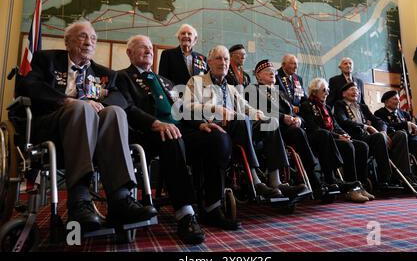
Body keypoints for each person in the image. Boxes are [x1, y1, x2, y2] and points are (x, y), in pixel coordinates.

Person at [16, 20, 156, 232]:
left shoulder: (106, 73)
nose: (89, 42)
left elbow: (120, 99)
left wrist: (99, 106)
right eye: (82, 36)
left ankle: (120, 200)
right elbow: (29, 85)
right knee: (81, 108)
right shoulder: (46, 60)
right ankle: (79, 200)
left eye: (93, 38)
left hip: (96, 133)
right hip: (53, 126)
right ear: (67, 41)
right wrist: (66, 101)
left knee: (115, 112)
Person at [117, 35, 240, 244]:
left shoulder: (165, 81)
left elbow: (182, 110)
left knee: (217, 137)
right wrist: (155, 123)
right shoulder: (121, 77)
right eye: (141, 47)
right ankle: (185, 213)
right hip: (147, 134)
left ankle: (212, 206)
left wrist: (200, 124)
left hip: (183, 130)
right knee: (171, 136)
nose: (148, 50)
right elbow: (128, 108)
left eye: (150, 47)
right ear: (129, 53)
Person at [183, 46, 306, 199]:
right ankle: (255, 181)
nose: (223, 62)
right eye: (218, 58)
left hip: (239, 126)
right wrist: (217, 109)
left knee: (271, 122)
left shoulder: (230, 88)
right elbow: (188, 107)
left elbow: (246, 107)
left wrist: (258, 113)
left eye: (226, 59)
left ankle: (276, 181)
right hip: (215, 127)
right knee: (241, 119)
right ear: (209, 62)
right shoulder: (197, 81)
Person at [252, 59, 321, 195]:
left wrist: (298, 120)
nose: (272, 74)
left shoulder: (281, 93)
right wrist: (284, 118)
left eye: (273, 72)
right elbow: (260, 112)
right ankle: (313, 175)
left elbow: (295, 113)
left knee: (301, 130)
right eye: (267, 72)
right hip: (268, 130)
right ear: (258, 76)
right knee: (295, 132)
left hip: (288, 130)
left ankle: (312, 175)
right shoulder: (253, 90)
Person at [299, 78, 372, 203]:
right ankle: (351, 189)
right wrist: (338, 137)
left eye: (328, 90)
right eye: (324, 90)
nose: (327, 93)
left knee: (362, 146)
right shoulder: (307, 106)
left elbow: (336, 125)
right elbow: (314, 128)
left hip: (333, 137)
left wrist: (343, 134)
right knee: (348, 147)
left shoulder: (326, 107)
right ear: (315, 91)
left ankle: (360, 185)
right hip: (319, 140)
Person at [334, 82, 412, 186]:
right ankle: (385, 178)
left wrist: (383, 131)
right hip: (356, 138)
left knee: (400, 134)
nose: (356, 92)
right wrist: (366, 126)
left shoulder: (362, 106)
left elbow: (379, 121)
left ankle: (404, 175)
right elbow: (343, 120)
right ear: (344, 94)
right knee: (378, 137)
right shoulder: (339, 104)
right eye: (352, 89)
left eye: (357, 90)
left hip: (371, 137)